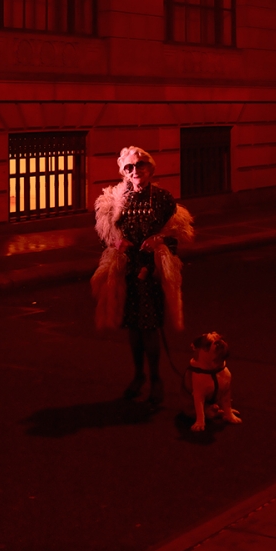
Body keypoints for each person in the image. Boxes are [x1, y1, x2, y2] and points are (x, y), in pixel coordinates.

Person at [91, 146, 194, 405]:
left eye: (140, 165)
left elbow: (177, 235)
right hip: (126, 270)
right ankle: (138, 375)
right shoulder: (114, 200)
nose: (135, 171)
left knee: (149, 327)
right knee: (133, 328)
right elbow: (105, 235)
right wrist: (118, 243)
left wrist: (159, 240)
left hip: (151, 271)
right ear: (123, 171)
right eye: (129, 167)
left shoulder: (162, 198)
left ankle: (156, 378)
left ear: (150, 168)